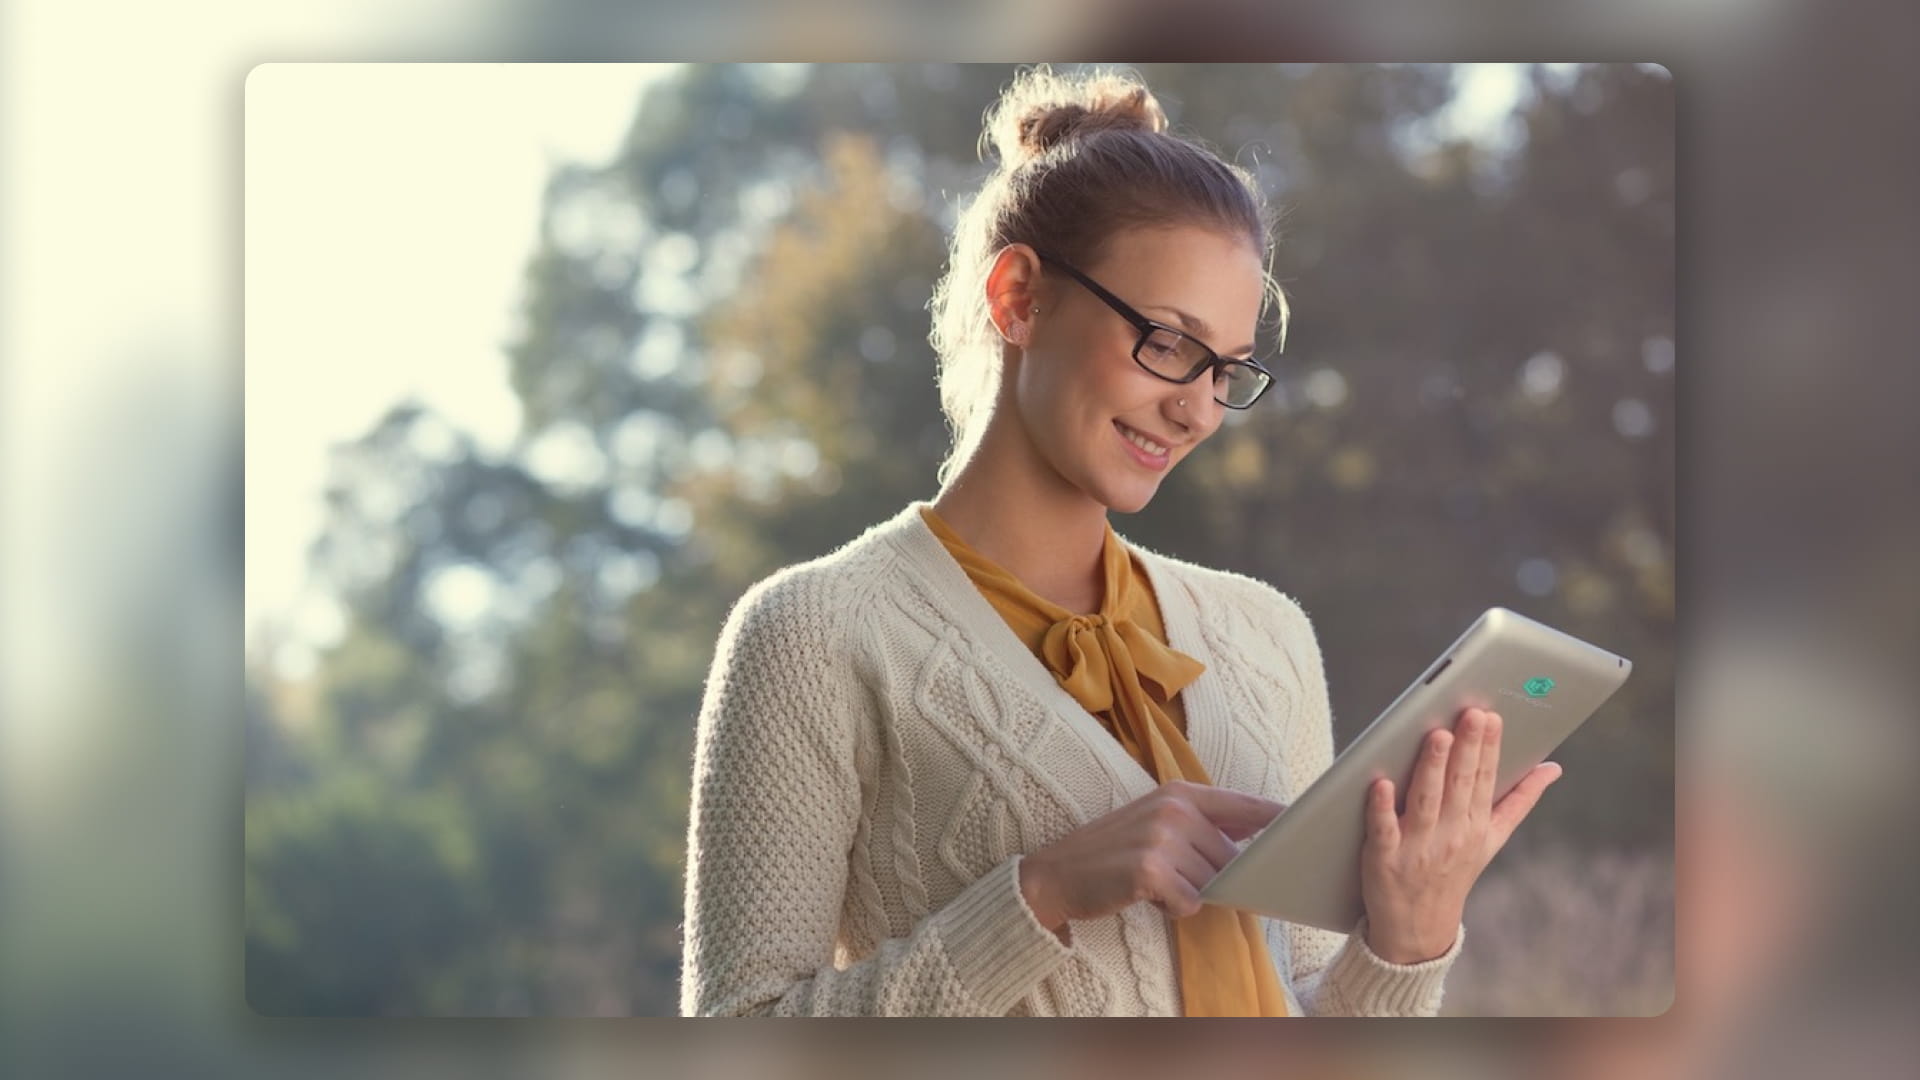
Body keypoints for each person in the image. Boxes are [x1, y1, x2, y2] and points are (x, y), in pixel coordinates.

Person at [678, 65, 1561, 1017]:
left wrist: (1407, 940)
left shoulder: (1266, 636)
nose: (1197, 410)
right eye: (1169, 342)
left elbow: (1307, 1008)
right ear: (1019, 297)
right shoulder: (813, 634)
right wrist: (1040, 895)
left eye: (1225, 371)